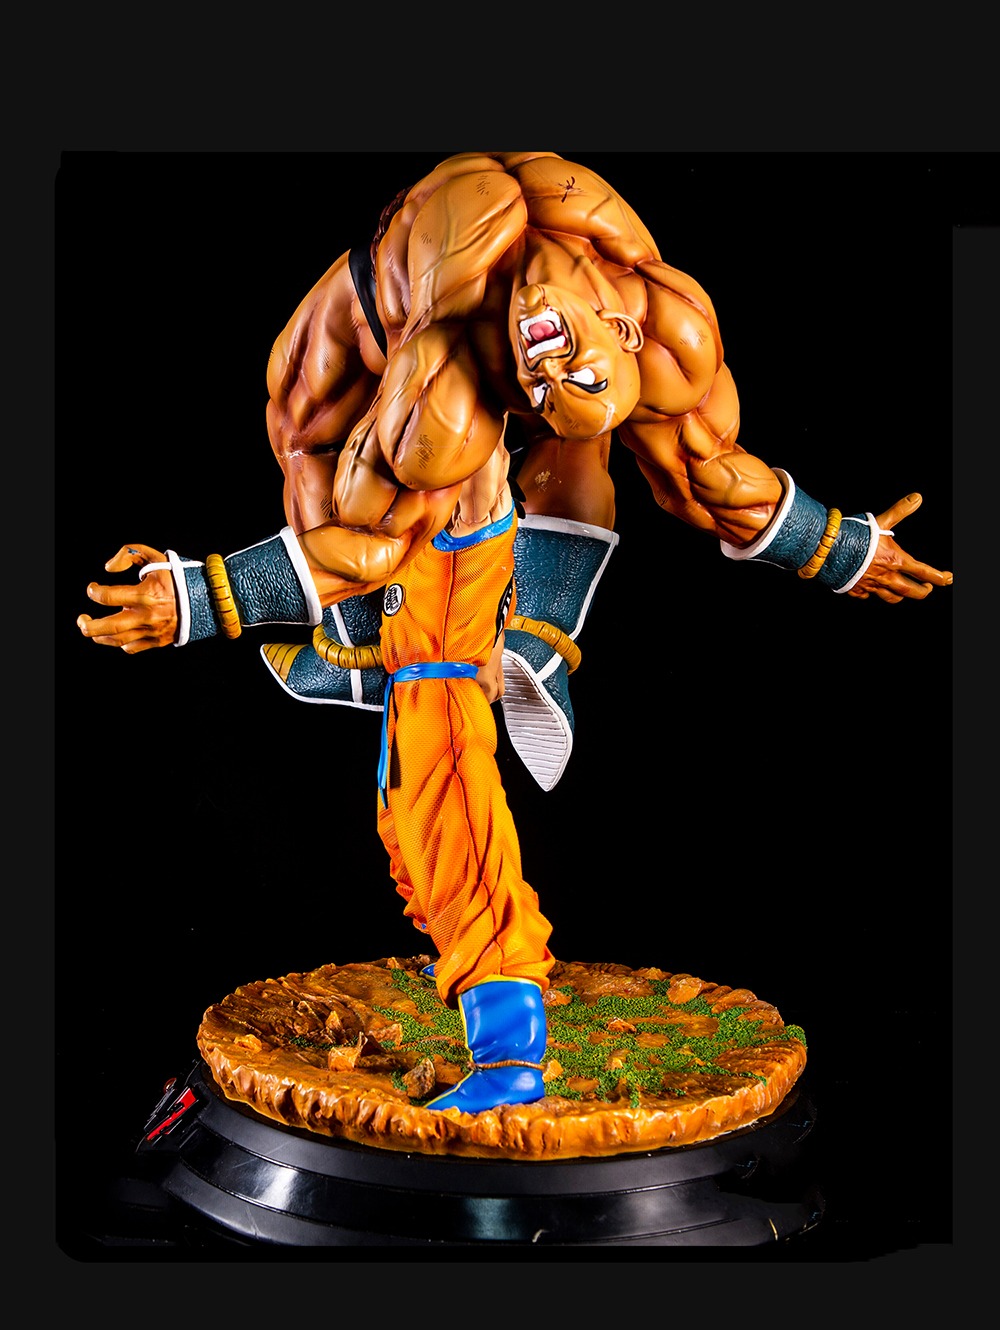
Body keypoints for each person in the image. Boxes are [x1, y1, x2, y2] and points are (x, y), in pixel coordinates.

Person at [76, 151, 952, 1115]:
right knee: (405, 674)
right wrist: (209, 595)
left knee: (440, 699)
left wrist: (842, 547)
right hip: (344, 419)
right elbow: (360, 538)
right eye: (557, 369)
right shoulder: (551, 343)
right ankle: (367, 654)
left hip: (429, 438)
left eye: (563, 381)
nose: (551, 365)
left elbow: (705, 473)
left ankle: (507, 1039)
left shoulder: (558, 362)